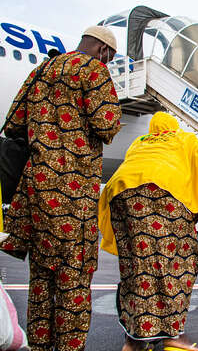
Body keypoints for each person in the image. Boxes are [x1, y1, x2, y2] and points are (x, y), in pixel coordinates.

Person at [0, 26, 122, 351]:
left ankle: (40, 346)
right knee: (73, 277)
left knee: (41, 279)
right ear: (103, 50)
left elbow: (13, 122)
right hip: (73, 191)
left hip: (37, 188)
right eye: (110, 57)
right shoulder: (93, 70)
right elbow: (107, 124)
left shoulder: (41, 69)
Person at [96, 112, 198, 351]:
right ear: (174, 126)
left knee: (136, 265)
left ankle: (135, 340)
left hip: (120, 192)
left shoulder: (140, 142)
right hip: (164, 191)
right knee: (178, 263)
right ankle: (173, 336)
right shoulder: (185, 139)